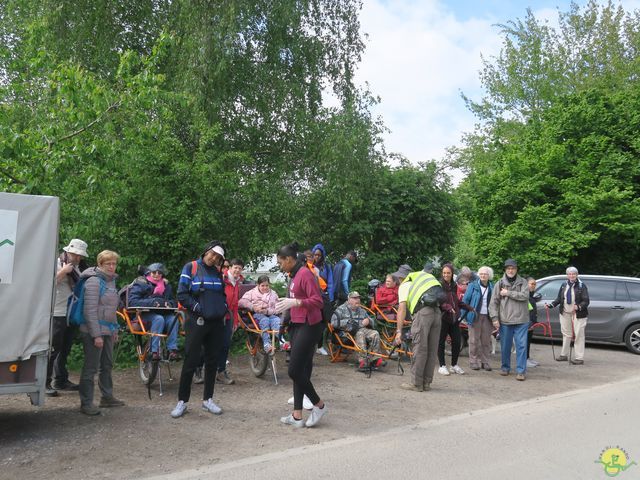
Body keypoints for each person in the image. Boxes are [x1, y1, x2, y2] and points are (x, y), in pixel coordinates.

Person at [171, 241, 228, 418]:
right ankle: (182, 402)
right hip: (197, 321)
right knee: (191, 361)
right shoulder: (191, 267)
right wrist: (198, 308)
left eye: (218, 257)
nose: (213, 258)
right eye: (212, 254)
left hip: (216, 323)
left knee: (212, 361)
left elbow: (222, 295)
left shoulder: (218, 273)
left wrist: (223, 307)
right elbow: (182, 294)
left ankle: (208, 400)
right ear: (205, 251)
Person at [275, 243, 327, 428]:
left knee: (294, 370)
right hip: (297, 325)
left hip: (309, 325)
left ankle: (319, 405)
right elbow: (292, 303)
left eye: (281, 262)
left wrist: (295, 301)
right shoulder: (294, 275)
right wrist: (284, 322)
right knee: (300, 371)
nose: (280, 266)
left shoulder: (304, 273)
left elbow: (317, 301)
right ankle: (297, 416)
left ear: (289, 259)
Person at [78, 250, 123, 415]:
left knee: (107, 365)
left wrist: (115, 329)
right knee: (91, 368)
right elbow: (89, 311)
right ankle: (86, 403)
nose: (112, 266)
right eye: (108, 264)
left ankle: (107, 397)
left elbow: (112, 309)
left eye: (113, 263)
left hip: (108, 330)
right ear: (100, 264)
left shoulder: (111, 282)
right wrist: (96, 335)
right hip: (93, 331)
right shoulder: (94, 282)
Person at [47, 238, 88, 396]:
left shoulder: (79, 268)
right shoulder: (56, 263)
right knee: (53, 349)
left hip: (71, 313)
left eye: (80, 255)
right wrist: (63, 272)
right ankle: (45, 383)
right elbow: (47, 284)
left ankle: (60, 380)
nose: (77, 257)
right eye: (75, 254)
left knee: (65, 348)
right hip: (57, 312)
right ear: (68, 251)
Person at [394, 262, 443, 392]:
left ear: (400, 277)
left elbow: (402, 309)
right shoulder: (422, 278)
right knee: (432, 350)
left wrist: (398, 331)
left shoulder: (405, 284)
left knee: (420, 348)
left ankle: (416, 384)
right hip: (437, 313)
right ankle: (426, 383)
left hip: (423, 314)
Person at [128, 262, 179, 361]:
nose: (156, 274)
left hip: (163, 315)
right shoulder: (141, 283)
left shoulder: (166, 286)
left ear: (162, 274)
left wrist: (169, 304)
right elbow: (132, 301)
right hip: (144, 316)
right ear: (149, 273)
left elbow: (173, 301)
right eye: (154, 272)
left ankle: (172, 350)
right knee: (158, 319)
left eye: (159, 273)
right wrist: (152, 302)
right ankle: (153, 351)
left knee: (174, 319)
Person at [489, 259, 530, 381]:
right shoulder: (499, 283)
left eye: (513, 268)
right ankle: (505, 368)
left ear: (517, 269)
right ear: (505, 270)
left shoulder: (523, 282)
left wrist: (508, 293)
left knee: (521, 346)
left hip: (522, 320)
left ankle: (521, 371)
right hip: (505, 320)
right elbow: (493, 303)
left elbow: (525, 296)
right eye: (508, 268)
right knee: (505, 346)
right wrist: (494, 318)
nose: (510, 270)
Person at [331, 291, 384, 371]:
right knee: (360, 334)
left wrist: (369, 321)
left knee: (375, 333)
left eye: (358, 298)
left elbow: (373, 323)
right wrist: (348, 322)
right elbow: (333, 323)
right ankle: (363, 361)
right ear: (349, 300)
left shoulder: (361, 310)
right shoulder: (341, 309)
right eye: (355, 298)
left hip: (361, 329)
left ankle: (375, 359)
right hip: (346, 333)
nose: (358, 300)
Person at [546, 266, 590, 365]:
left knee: (579, 335)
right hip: (565, 313)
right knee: (566, 334)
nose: (571, 275)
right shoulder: (563, 285)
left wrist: (578, 306)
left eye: (573, 274)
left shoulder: (582, 286)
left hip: (578, 314)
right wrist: (552, 305)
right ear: (567, 275)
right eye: (569, 274)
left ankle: (579, 358)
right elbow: (559, 299)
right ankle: (564, 355)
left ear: (577, 275)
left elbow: (586, 301)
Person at [460, 266, 494, 371]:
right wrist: (463, 315)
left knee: (486, 341)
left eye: (485, 274)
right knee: (474, 340)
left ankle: (485, 362)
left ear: (489, 276)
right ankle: (473, 361)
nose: (483, 275)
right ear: (479, 275)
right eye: (481, 274)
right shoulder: (473, 286)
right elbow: (465, 300)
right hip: (475, 316)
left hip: (488, 317)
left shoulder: (492, 287)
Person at [437, 263, 468, 376]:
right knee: (441, 341)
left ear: (452, 273)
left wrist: (466, 306)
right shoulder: (439, 285)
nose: (446, 275)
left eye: (448, 273)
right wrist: (448, 308)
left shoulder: (454, 285)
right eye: (444, 273)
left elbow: (455, 300)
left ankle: (454, 365)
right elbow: (440, 301)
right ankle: (442, 366)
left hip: (453, 318)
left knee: (457, 341)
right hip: (443, 317)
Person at [218, 258, 245, 385]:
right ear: (230, 268)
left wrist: (234, 322)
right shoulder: (221, 279)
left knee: (225, 345)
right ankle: (198, 370)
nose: (237, 270)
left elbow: (235, 305)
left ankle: (221, 372)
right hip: (217, 316)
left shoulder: (237, 283)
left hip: (229, 318)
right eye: (235, 267)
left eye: (240, 268)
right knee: (209, 344)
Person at [238, 275, 281, 353]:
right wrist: (253, 307)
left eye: (267, 285)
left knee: (277, 320)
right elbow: (241, 302)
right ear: (258, 285)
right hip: (257, 314)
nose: (265, 288)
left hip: (270, 314)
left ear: (269, 285)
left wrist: (267, 311)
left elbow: (277, 308)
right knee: (265, 320)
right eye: (262, 286)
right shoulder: (251, 293)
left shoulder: (273, 294)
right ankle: (267, 344)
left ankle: (282, 342)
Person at [312, 243, 334, 356]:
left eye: (319, 255)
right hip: (313, 298)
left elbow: (330, 283)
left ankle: (320, 346)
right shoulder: (309, 266)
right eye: (315, 255)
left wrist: (330, 298)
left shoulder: (327, 266)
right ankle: (311, 345)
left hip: (324, 297)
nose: (317, 257)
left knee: (323, 322)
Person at [526, 277, 541, 368]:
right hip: (527, 323)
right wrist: (530, 323)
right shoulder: (525, 295)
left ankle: (527, 358)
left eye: (534, 284)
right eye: (531, 284)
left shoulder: (531, 295)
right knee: (525, 342)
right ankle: (524, 359)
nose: (533, 286)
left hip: (532, 322)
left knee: (528, 341)